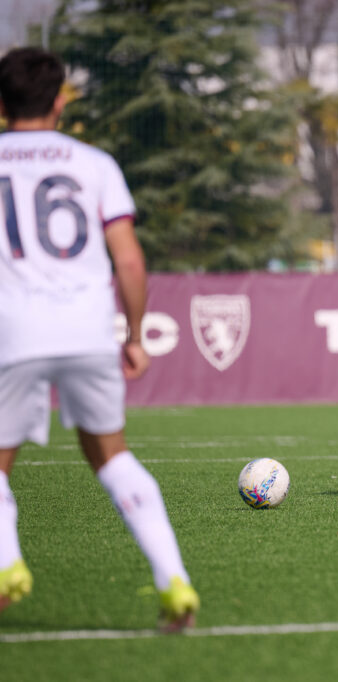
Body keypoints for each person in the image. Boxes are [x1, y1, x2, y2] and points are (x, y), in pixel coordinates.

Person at [0, 47, 199, 628]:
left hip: (14, 330)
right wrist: (134, 334)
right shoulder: (95, 163)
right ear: (62, 100)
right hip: (87, 328)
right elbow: (130, 263)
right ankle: (174, 581)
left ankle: (9, 566)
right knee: (112, 456)